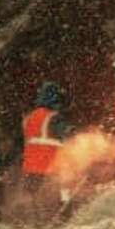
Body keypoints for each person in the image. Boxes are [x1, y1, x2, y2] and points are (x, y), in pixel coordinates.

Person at [18, 81, 72, 211]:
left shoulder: (29, 117)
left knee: (33, 197)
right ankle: (64, 211)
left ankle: (33, 219)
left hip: (30, 167)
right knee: (65, 189)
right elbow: (67, 133)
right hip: (50, 166)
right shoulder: (54, 117)